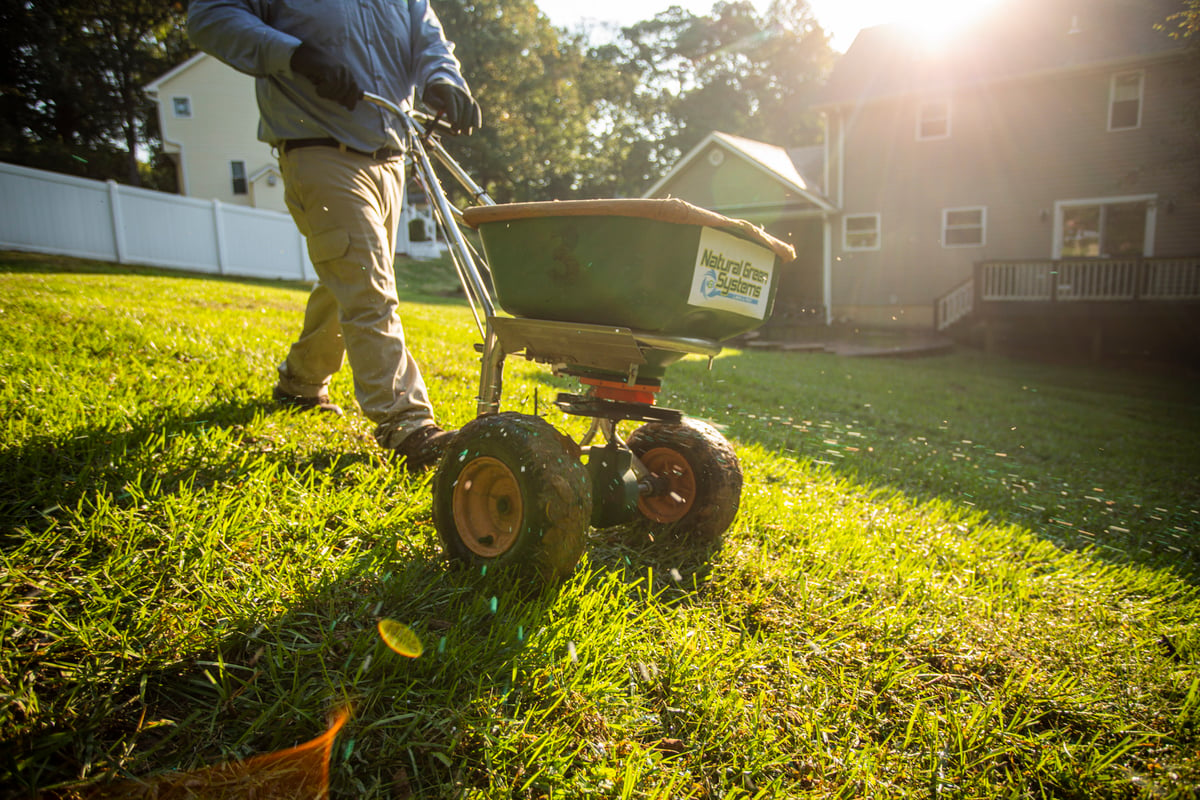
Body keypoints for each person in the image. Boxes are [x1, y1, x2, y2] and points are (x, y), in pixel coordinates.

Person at [188, 0, 481, 471]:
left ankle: (300, 382)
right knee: (366, 281)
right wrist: (294, 54)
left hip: (390, 155)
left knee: (347, 277)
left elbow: (430, 43)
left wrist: (443, 79)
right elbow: (210, 18)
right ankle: (406, 424)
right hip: (318, 145)